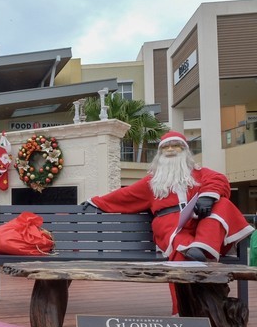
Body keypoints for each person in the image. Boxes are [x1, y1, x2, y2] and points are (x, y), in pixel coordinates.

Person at [83, 131, 254, 312]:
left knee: (223, 203)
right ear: (160, 153)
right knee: (182, 251)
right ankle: (184, 309)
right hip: (171, 225)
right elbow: (125, 196)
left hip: (200, 222)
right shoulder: (152, 181)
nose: (171, 149)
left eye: (176, 146)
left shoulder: (200, 173)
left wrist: (207, 197)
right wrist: (95, 201)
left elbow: (219, 180)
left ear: (185, 150)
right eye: (166, 147)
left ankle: (202, 246)